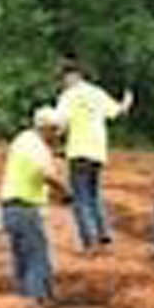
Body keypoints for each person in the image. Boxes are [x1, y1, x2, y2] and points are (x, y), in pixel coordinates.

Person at [55, 60, 133, 252]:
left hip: (78, 150)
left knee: (80, 197)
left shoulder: (69, 96)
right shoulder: (97, 93)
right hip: (98, 151)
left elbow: (60, 122)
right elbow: (118, 112)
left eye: (63, 77)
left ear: (71, 76)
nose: (62, 82)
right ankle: (103, 234)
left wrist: (55, 142)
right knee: (94, 194)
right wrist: (127, 100)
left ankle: (89, 241)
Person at [0, 106, 70, 306]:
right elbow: (48, 176)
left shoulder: (23, 139)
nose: (57, 137)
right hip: (25, 207)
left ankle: (24, 299)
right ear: (47, 128)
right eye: (56, 131)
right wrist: (66, 194)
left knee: (21, 256)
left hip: (9, 206)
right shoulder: (37, 147)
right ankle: (37, 299)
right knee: (37, 256)